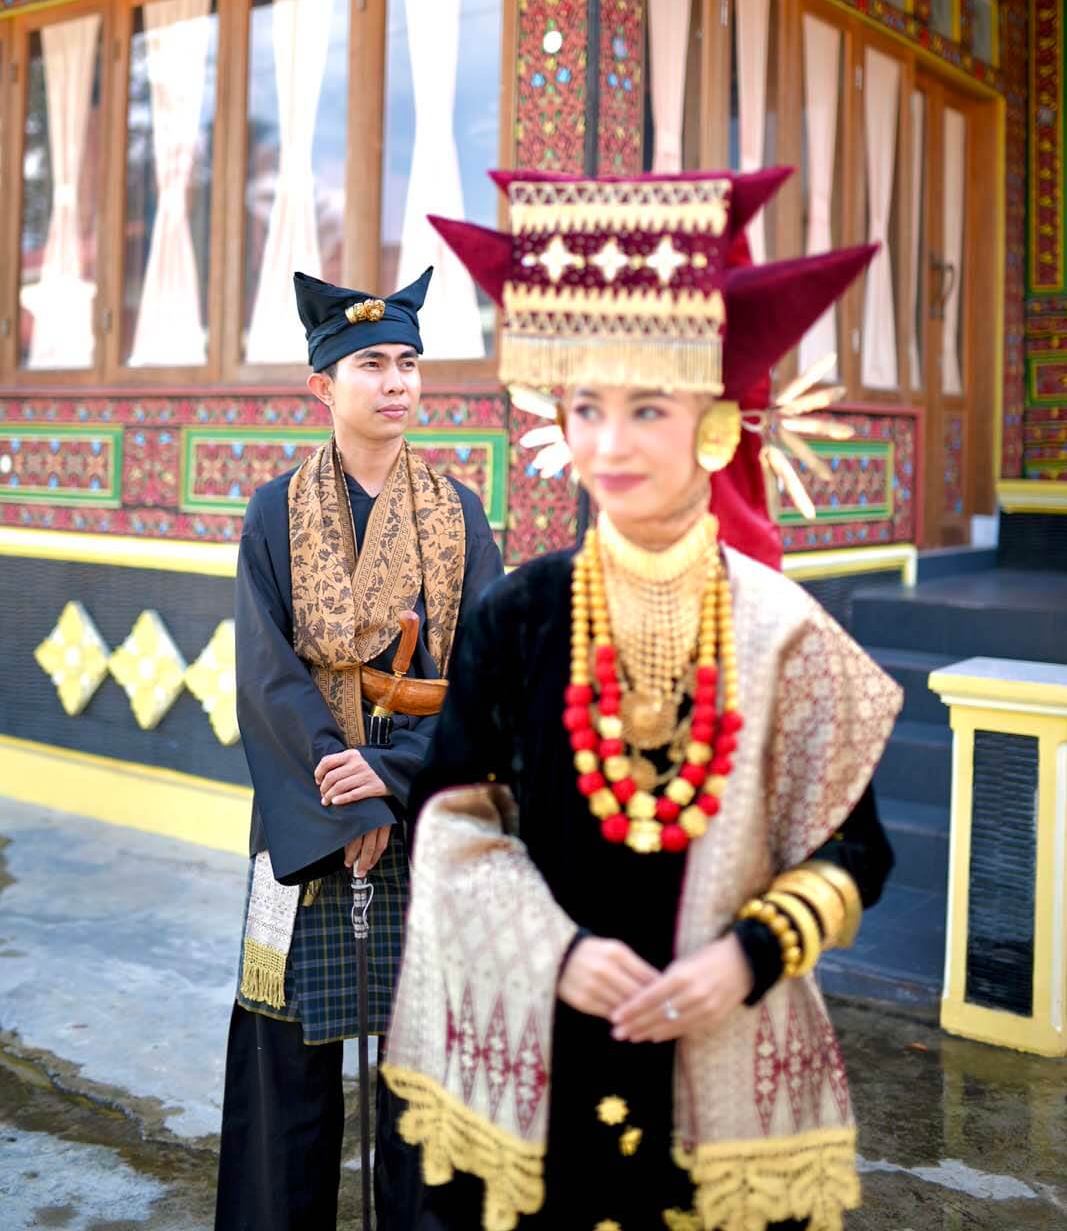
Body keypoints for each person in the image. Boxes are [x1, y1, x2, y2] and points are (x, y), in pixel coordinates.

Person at [381, 168, 903, 1231]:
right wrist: (556, 952)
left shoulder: (783, 630)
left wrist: (748, 956)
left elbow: (855, 850)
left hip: (717, 1056)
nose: (608, 446)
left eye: (646, 409)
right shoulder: (517, 616)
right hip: (541, 1056)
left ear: (713, 423)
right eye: (585, 408)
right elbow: (447, 820)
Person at [214, 267, 503, 1231]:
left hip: (428, 807)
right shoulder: (273, 513)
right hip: (305, 813)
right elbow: (266, 678)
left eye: (408, 363)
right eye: (371, 363)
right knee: (283, 1054)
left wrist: (392, 775)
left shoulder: (459, 516)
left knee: (424, 1072)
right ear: (322, 387)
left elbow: (487, 677)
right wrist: (347, 802)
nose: (396, 382)